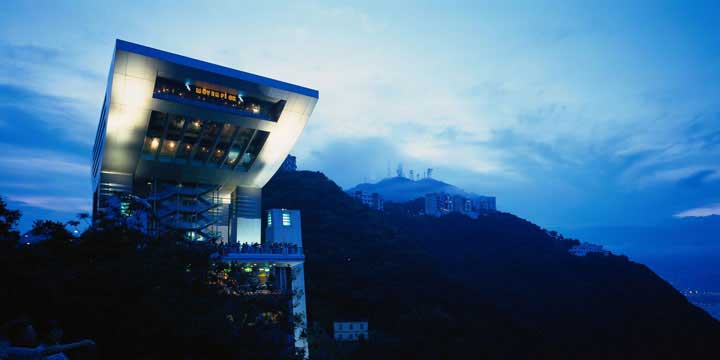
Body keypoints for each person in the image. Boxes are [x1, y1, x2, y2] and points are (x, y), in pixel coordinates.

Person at [2, 319, 94, 360]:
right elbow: (43, 352)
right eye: (29, 333)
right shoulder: (8, 351)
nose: (34, 335)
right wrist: (82, 343)